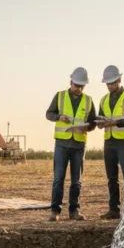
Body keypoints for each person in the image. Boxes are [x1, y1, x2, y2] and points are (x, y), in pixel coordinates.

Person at [45, 67, 97, 221]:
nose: (79, 89)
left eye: (82, 86)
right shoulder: (60, 96)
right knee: (58, 179)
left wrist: (87, 127)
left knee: (76, 181)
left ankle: (74, 211)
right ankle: (55, 211)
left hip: (79, 146)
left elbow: (93, 123)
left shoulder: (88, 101)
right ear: (71, 82)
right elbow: (49, 114)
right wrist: (59, 117)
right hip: (61, 144)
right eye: (76, 85)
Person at [95, 65, 124, 220]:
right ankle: (114, 210)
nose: (109, 86)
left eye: (112, 83)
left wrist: (113, 123)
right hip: (109, 142)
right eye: (107, 84)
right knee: (112, 177)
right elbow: (100, 118)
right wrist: (100, 123)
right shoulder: (103, 99)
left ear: (119, 80)